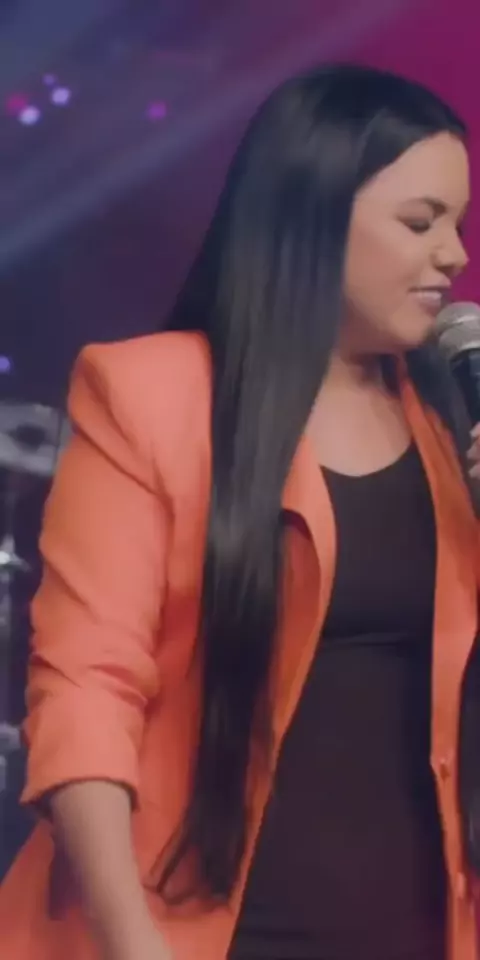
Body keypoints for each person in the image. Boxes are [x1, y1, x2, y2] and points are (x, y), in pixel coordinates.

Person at [0, 62, 479, 960]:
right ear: (313, 220)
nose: (453, 254)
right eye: (420, 223)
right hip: (196, 929)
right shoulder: (151, 396)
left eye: (457, 224)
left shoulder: (450, 412)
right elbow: (87, 687)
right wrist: (132, 942)